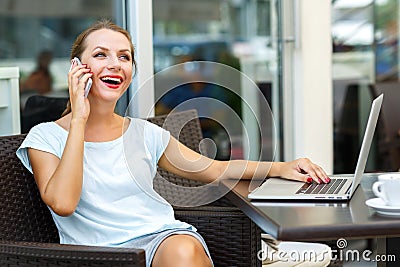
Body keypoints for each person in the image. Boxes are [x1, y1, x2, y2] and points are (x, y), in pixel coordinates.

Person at [16, 19, 330, 267]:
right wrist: (80, 120)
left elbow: (214, 169)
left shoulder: (144, 134)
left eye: (124, 57)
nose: (115, 64)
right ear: (76, 68)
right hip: (97, 255)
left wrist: (282, 167)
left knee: (182, 251)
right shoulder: (46, 137)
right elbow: (63, 203)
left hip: (162, 240)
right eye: (101, 55)